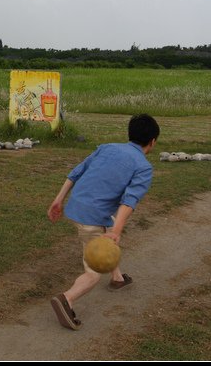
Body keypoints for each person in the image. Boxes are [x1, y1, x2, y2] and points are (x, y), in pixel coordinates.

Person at [47, 113, 160, 330]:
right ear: (152, 141)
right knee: (94, 269)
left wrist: (58, 200)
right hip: (92, 218)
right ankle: (66, 299)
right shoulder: (143, 167)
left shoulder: (107, 147)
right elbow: (129, 201)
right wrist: (117, 231)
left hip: (75, 208)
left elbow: (76, 172)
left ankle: (117, 278)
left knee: (107, 231)